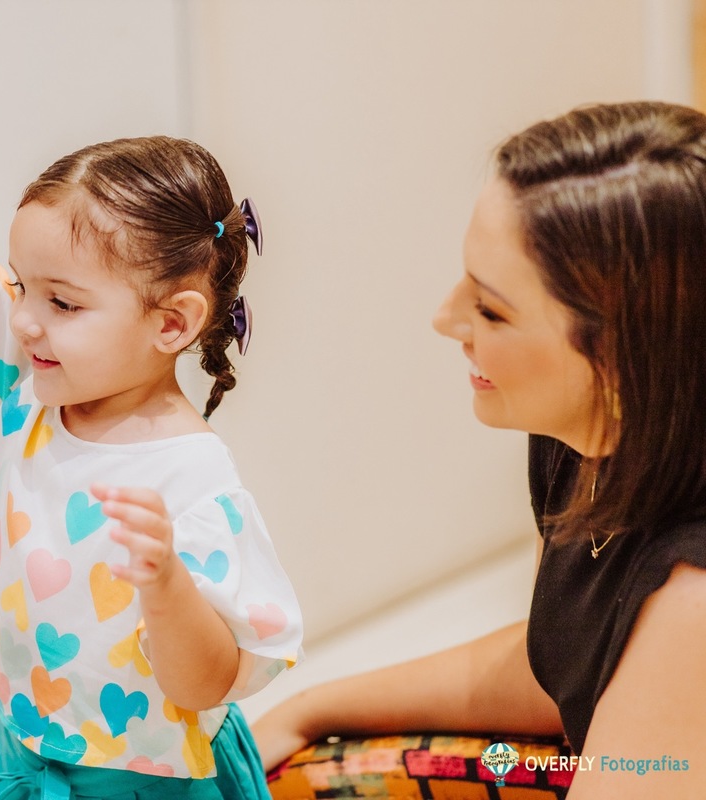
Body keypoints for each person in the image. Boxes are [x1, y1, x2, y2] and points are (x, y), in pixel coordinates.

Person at [0, 32, 303, 800]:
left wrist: (165, 582)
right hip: (29, 745)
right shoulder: (31, 388)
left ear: (171, 324)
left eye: (64, 302)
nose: (25, 321)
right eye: (22, 287)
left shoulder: (192, 479)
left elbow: (207, 682)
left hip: (150, 781)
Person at [252, 101, 706, 797]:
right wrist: (307, 708)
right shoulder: (588, 441)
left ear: (624, 354)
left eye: (491, 310)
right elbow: (564, 664)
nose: (445, 319)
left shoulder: (692, 608)